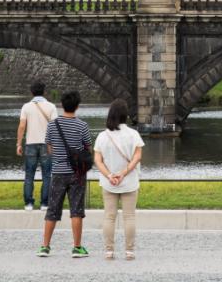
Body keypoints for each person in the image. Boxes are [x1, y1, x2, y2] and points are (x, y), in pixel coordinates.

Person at [40, 91, 93, 258]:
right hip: (77, 173)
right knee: (76, 210)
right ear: (77, 106)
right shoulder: (82, 126)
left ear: (62, 105)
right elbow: (88, 149)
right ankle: (77, 247)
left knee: (53, 209)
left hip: (58, 172)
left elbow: (49, 149)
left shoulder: (52, 125)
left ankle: (45, 246)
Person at [93, 99, 145, 260]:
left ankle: (109, 251)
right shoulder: (133, 134)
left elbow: (98, 160)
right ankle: (129, 251)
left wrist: (109, 175)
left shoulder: (102, 136)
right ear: (125, 115)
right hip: (128, 180)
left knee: (109, 216)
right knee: (129, 216)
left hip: (109, 182)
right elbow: (137, 157)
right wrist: (123, 173)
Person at [17, 82, 56, 210]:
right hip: (47, 144)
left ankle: (28, 203)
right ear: (44, 92)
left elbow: (22, 126)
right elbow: (54, 127)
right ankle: (44, 203)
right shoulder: (51, 107)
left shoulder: (26, 107)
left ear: (31, 92)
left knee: (29, 175)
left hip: (31, 144)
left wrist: (18, 143)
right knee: (47, 175)